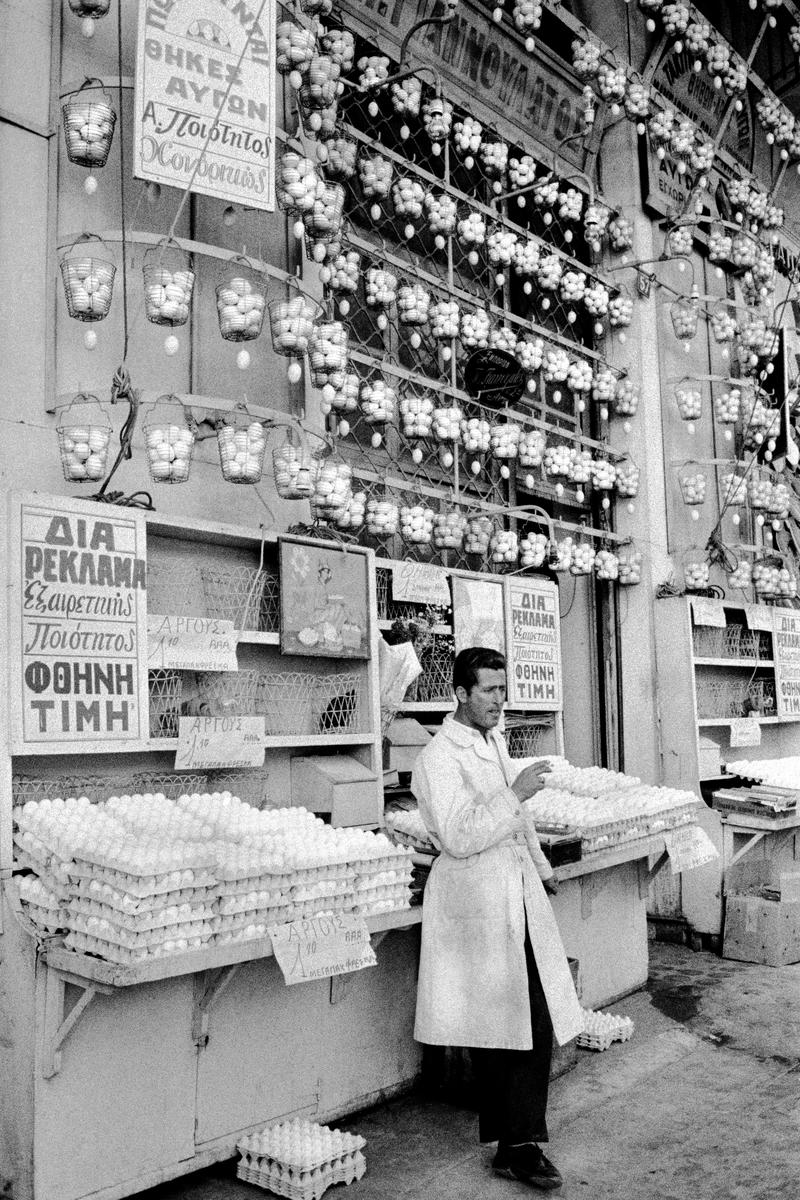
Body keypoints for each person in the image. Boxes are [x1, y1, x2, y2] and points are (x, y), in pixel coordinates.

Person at [411, 646, 583, 1191]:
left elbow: (519, 820)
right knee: (503, 1023)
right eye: (488, 690)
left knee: (532, 1014)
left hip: (514, 890)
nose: (498, 700)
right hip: (476, 901)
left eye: (503, 689)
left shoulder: (492, 740)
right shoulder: (438, 758)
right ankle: (517, 1146)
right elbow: (460, 836)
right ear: (460, 693)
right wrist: (515, 791)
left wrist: (542, 869)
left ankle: (518, 1140)